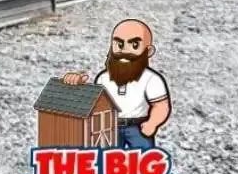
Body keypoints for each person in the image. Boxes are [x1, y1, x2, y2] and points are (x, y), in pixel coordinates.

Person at [61, 19, 171, 149]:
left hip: (138, 128)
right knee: (107, 161)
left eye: (134, 45)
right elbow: (96, 103)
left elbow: (161, 105)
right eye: (119, 44)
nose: (124, 50)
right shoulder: (103, 78)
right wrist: (77, 85)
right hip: (109, 127)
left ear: (148, 51)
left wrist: (152, 123)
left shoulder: (151, 79)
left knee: (144, 161)